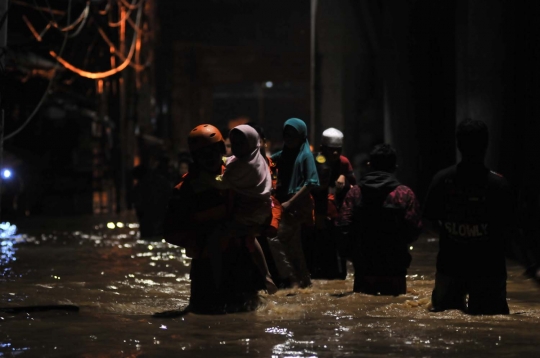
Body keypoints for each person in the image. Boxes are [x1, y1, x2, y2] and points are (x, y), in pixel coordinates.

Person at [161, 124, 264, 314]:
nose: (209, 158)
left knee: (247, 319)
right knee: (206, 319)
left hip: (241, 262)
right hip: (207, 266)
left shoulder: (239, 175)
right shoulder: (185, 190)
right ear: (195, 156)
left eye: (212, 151)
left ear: (221, 150)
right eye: (202, 153)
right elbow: (171, 231)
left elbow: (262, 211)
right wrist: (203, 231)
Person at [423, 119, 516, 315]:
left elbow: (428, 221)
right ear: (486, 144)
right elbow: (512, 228)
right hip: (489, 269)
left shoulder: (442, 180)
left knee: (446, 324)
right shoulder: (499, 185)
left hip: (451, 265)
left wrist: (451, 234)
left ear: (458, 145)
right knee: (490, 327)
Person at [203, 125, 278, 294]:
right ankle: (266, 276)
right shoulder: (254, 158)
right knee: (249, 238)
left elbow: (221, 182)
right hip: (258, 209)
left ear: (251, 143)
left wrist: (205, 176)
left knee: (222, 234)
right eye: (233, 143)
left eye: (240, 143)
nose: (236, 147)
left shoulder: (246, 166)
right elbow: (229, 161)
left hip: (250, 212)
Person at [339, 144, 422, 295]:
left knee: (362, 313)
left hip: (364, 266)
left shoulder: (355, 193)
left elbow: (344, 227)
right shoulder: (404, 194)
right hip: (395, 267)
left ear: (370, 165)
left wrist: (353, 255)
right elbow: (414, 229)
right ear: (395, 167)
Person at [271, 118, 319, 288]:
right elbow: (268, 162)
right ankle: (304, 282)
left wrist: (290, 202)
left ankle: (291, 279)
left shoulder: (305, 156)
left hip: (297, 205)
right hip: (286, 204)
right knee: (293, 245)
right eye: (286, 134)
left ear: (301, 136)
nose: (289, 138)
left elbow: (311, 182)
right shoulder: (283, 155)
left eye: (293, 135)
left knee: (274, 239)